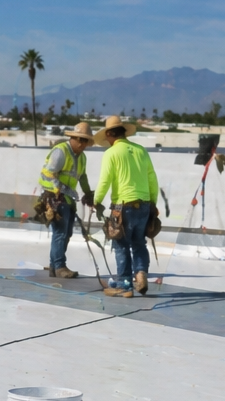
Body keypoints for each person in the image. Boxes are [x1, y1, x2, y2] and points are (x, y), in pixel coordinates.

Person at [93, 115, 159, 297]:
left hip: (123, 207)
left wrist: (96, 201)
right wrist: (153, 203)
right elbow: (152, 179)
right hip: (144, 206)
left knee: (121, 245)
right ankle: (140, 273)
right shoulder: (141, 151)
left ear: (110, 134)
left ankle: (124, 285)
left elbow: (104, 181)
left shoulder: (111, 153)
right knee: (139, 243)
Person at [38, 121, 96, 277]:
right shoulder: (61, 151)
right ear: (74, 138)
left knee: (67, 233)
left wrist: (88, 193)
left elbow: (82, 177)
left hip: (68, 199)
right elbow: (48, 174)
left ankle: (54, 266)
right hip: (55, 198)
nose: (83, 145)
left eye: (86, 141)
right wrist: (61, 190)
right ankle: (59, 266)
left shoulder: (82, 157)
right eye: (81, 140)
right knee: (60, 233)